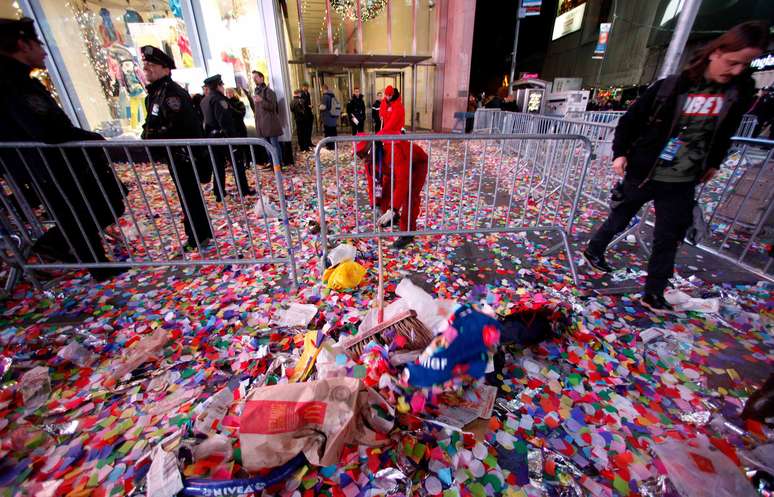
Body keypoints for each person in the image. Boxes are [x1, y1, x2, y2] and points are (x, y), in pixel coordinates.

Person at [582, 21, 769, 314]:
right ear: (716, 51)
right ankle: (595, 248)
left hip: (684, 178)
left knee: (669, 236)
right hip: (646, 170)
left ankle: (653, 292)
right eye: (733, 62)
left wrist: (714, 162)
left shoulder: (737, 92)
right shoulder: (672, 87)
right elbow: (630, 121)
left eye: (744, 65)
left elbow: (725, 131)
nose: (736, 71)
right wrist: (620, 154)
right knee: (621, 215)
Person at [0, 17, 127, 281]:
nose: (44, 51)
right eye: (39, 44)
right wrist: (91, 139)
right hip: (48, 164)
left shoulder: (18, 80)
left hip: (45, 165)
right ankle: (61, 246)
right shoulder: (13, 83)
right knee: (100, 204)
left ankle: (96, 265)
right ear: (23, 45)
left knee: (80, 209)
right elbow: (46, 129)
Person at [141, 44, 213, 253]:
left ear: (165, 69)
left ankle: (198, 235)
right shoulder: (157, 92)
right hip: (174, 155)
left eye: (152, 64)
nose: (148, 69)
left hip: (183, 155)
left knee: (190, 196)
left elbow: (181, 127)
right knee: (187, 196)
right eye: (146, 65)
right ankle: (198, 234)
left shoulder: (171, 93)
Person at [356, 133, 428, 249]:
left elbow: (402, 182)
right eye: (359, 156)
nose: (363, 159)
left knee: (409, 197)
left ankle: (407, 233)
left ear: (373, 148)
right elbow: (374, 183)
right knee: (384, 192)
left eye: (364, 154)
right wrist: (376, 204)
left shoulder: (394, 150)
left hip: (415, 165)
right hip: (391, 168)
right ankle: (392, 217)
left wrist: (393, 208)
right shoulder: (370, 160)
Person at [201, 75, 253, 201]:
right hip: (224, 138)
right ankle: (243, 190)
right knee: (237, 164)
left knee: (218, 166)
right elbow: (225, 121)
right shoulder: (219, 100)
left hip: (211, 138)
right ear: (218, 85)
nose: (223, 88)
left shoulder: (205, 100)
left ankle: (219, 193)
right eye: (222, 85)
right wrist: (232, 139)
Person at [252, 70, 283, 170]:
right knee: (267, 147)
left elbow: (272, 107)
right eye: (253, 77)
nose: (254, 79)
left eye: (256, 77)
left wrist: (261, 100)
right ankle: (272, 164)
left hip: (270, 124)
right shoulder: (256, 92)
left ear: (262, 78)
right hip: (262, 125)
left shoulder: (269, 92)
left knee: (274, 146)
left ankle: (278, 165)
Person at [320, 84, 340, 150]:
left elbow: (323, 107)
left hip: (327, 118)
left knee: (328, 132)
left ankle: (330, 146)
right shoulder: (332, 95)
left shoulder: (325, 97)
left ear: (323, 89)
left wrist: (319, 106)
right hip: (333, 117)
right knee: (334, 131)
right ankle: (335, 145)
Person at [299, 82, 314, 150]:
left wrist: (310, 106)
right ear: (303, 87)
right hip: (305, 115)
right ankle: (306, 144)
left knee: (309, 129)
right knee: (306, 130)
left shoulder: (308, 93)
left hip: (309, 113)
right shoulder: (301, 94)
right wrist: (308, 106)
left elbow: (308, 102)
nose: (307, 88)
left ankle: (309, 142)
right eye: (306, 87)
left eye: (307, 87)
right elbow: (302, 104)